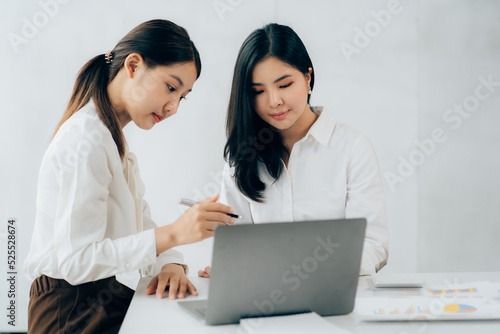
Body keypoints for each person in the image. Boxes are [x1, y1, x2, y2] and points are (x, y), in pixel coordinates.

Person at [24, 19, 235, 334]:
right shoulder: (86, 141)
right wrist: (175, 234)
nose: (174, 107)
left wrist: (171, 263)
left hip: (98, 300)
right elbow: (76, 261)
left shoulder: (110, 140)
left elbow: (140, 223)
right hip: (69, 311)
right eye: (171, 87)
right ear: (133, 65)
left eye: (183, 96)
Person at [198, 23, 388, 279]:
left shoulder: (352, 147)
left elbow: (374, 245)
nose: (274, 101)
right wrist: (230, 267)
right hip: (260, 298)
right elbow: (233, 245)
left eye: (285, 85)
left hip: (331, 292)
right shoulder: (242, 156)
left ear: (308, 78)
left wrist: (302, 269)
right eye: (258, 91)